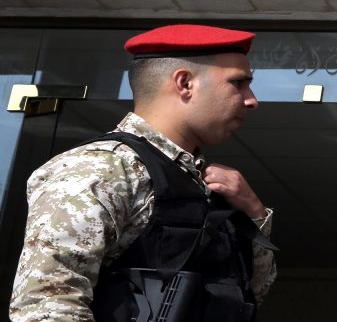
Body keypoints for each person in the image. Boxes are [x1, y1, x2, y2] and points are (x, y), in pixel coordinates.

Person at [10, 25, 277, 322]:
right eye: (238, 83)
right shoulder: (102, 168)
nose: (252, 100)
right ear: (185, 83)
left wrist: (254, 213)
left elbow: (249, 294)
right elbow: (47, 303)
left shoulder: (206, 183)